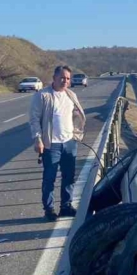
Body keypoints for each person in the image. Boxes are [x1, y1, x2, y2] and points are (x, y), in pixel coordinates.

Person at [29, 65, 86, 221]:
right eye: (62, 77)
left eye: (67, 78)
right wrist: (38, 139)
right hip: (51, 144)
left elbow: (76, 115)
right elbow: (34, 119)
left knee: (69, 177)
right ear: (54, 78)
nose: (65, 81)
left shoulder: (71, 95)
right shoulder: (43, 96)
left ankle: (66, 207)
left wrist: (76, 133)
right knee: (50, 178)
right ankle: (49, 209)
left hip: (69, 142)